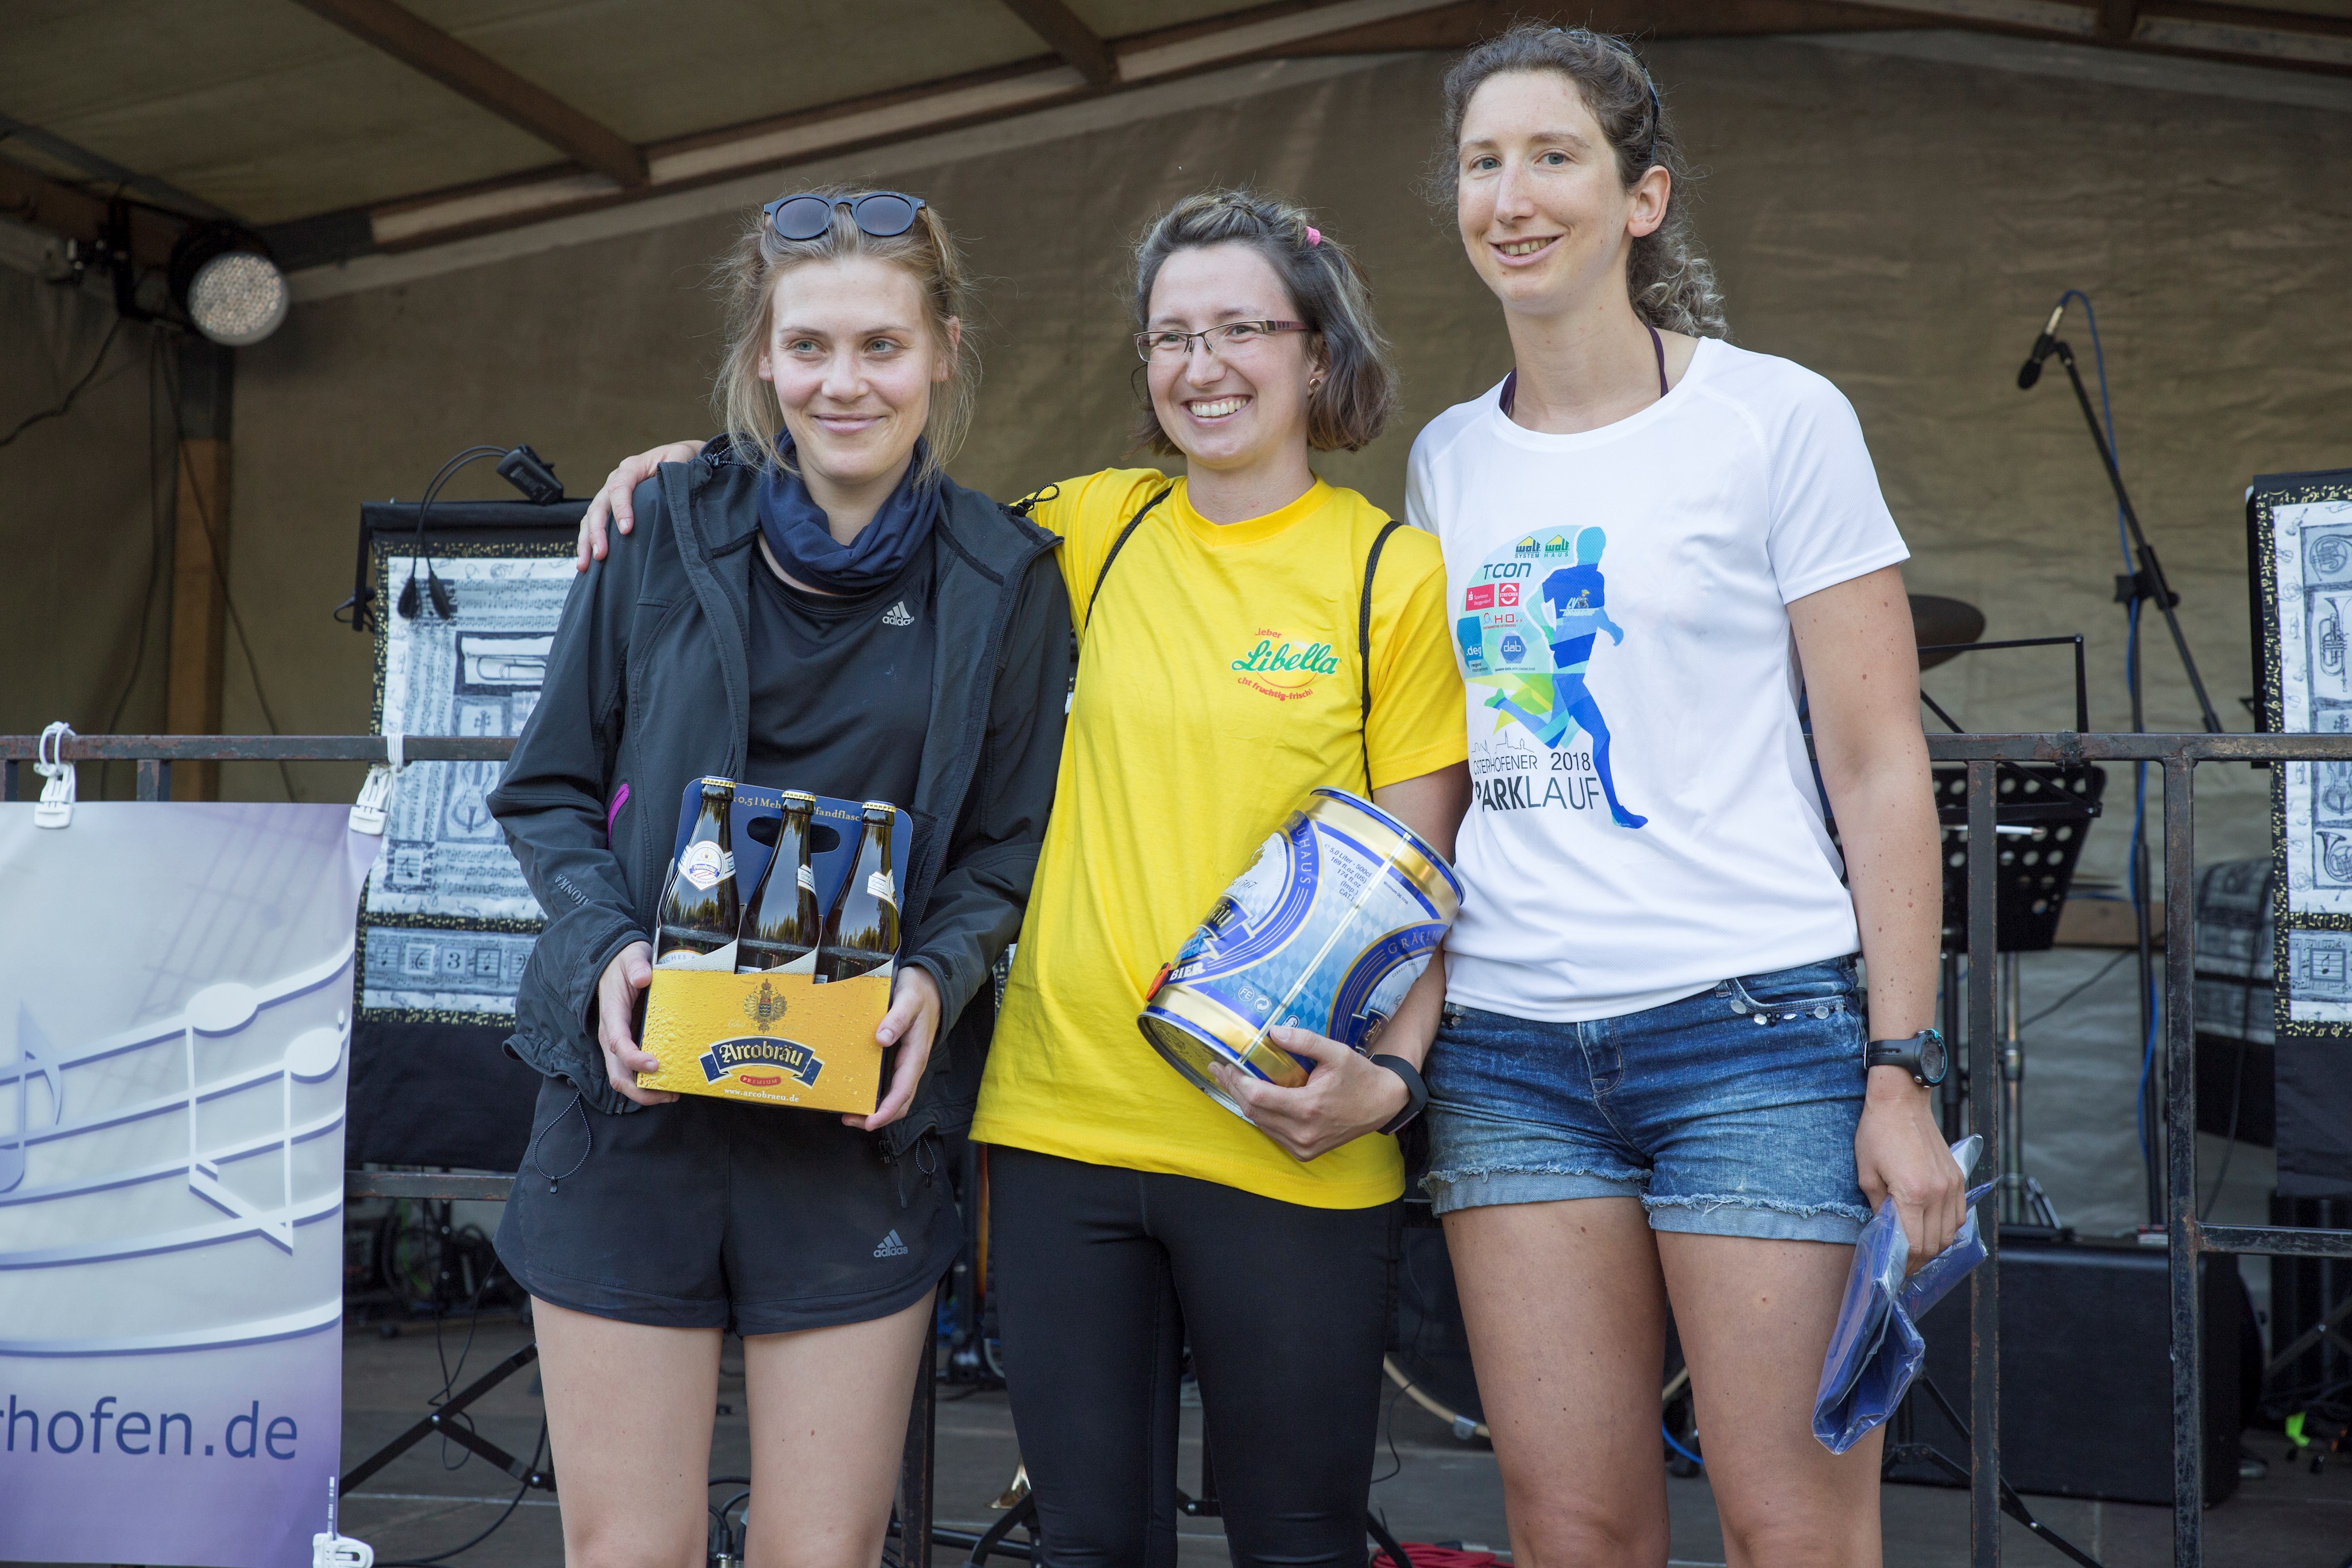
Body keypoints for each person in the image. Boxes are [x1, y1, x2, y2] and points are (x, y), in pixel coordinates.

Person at [572, 189, 1471, 1568]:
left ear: (1316, 352)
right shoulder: (1081, 529)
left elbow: (1418, 880)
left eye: (1241, 329)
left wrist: (1392, 1083)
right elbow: (860, 486)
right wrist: (695, 469)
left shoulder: (1388, 574)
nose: (1203, 365)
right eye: (1171, 335)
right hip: (1059, 1136)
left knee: (1298, 1543)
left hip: (1286, 1130)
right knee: (1087, 1545)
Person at [1406, 26, 1963, 1567]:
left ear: (1641, 198)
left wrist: (1899, 1068)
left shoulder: (1776, 417)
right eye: (1481, 162)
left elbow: (1878, 763)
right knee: (1571, 1527)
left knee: (1793, 1528)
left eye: (1553, 156)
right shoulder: (1447, 459)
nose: (1510, 196)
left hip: (1754, 1039)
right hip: (1508, 1049)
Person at [488, 185, 1070, 1567]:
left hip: (852, 1130)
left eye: (881, 346)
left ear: (943, 352)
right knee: (627, 1552)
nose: (842, 382)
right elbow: (547, 790)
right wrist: (606, 950)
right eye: (808, 346)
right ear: (762, 356)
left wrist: (939, 975)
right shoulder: (655, 528)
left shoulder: (1006, 578)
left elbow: (1006, 844)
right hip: (633, 1112)